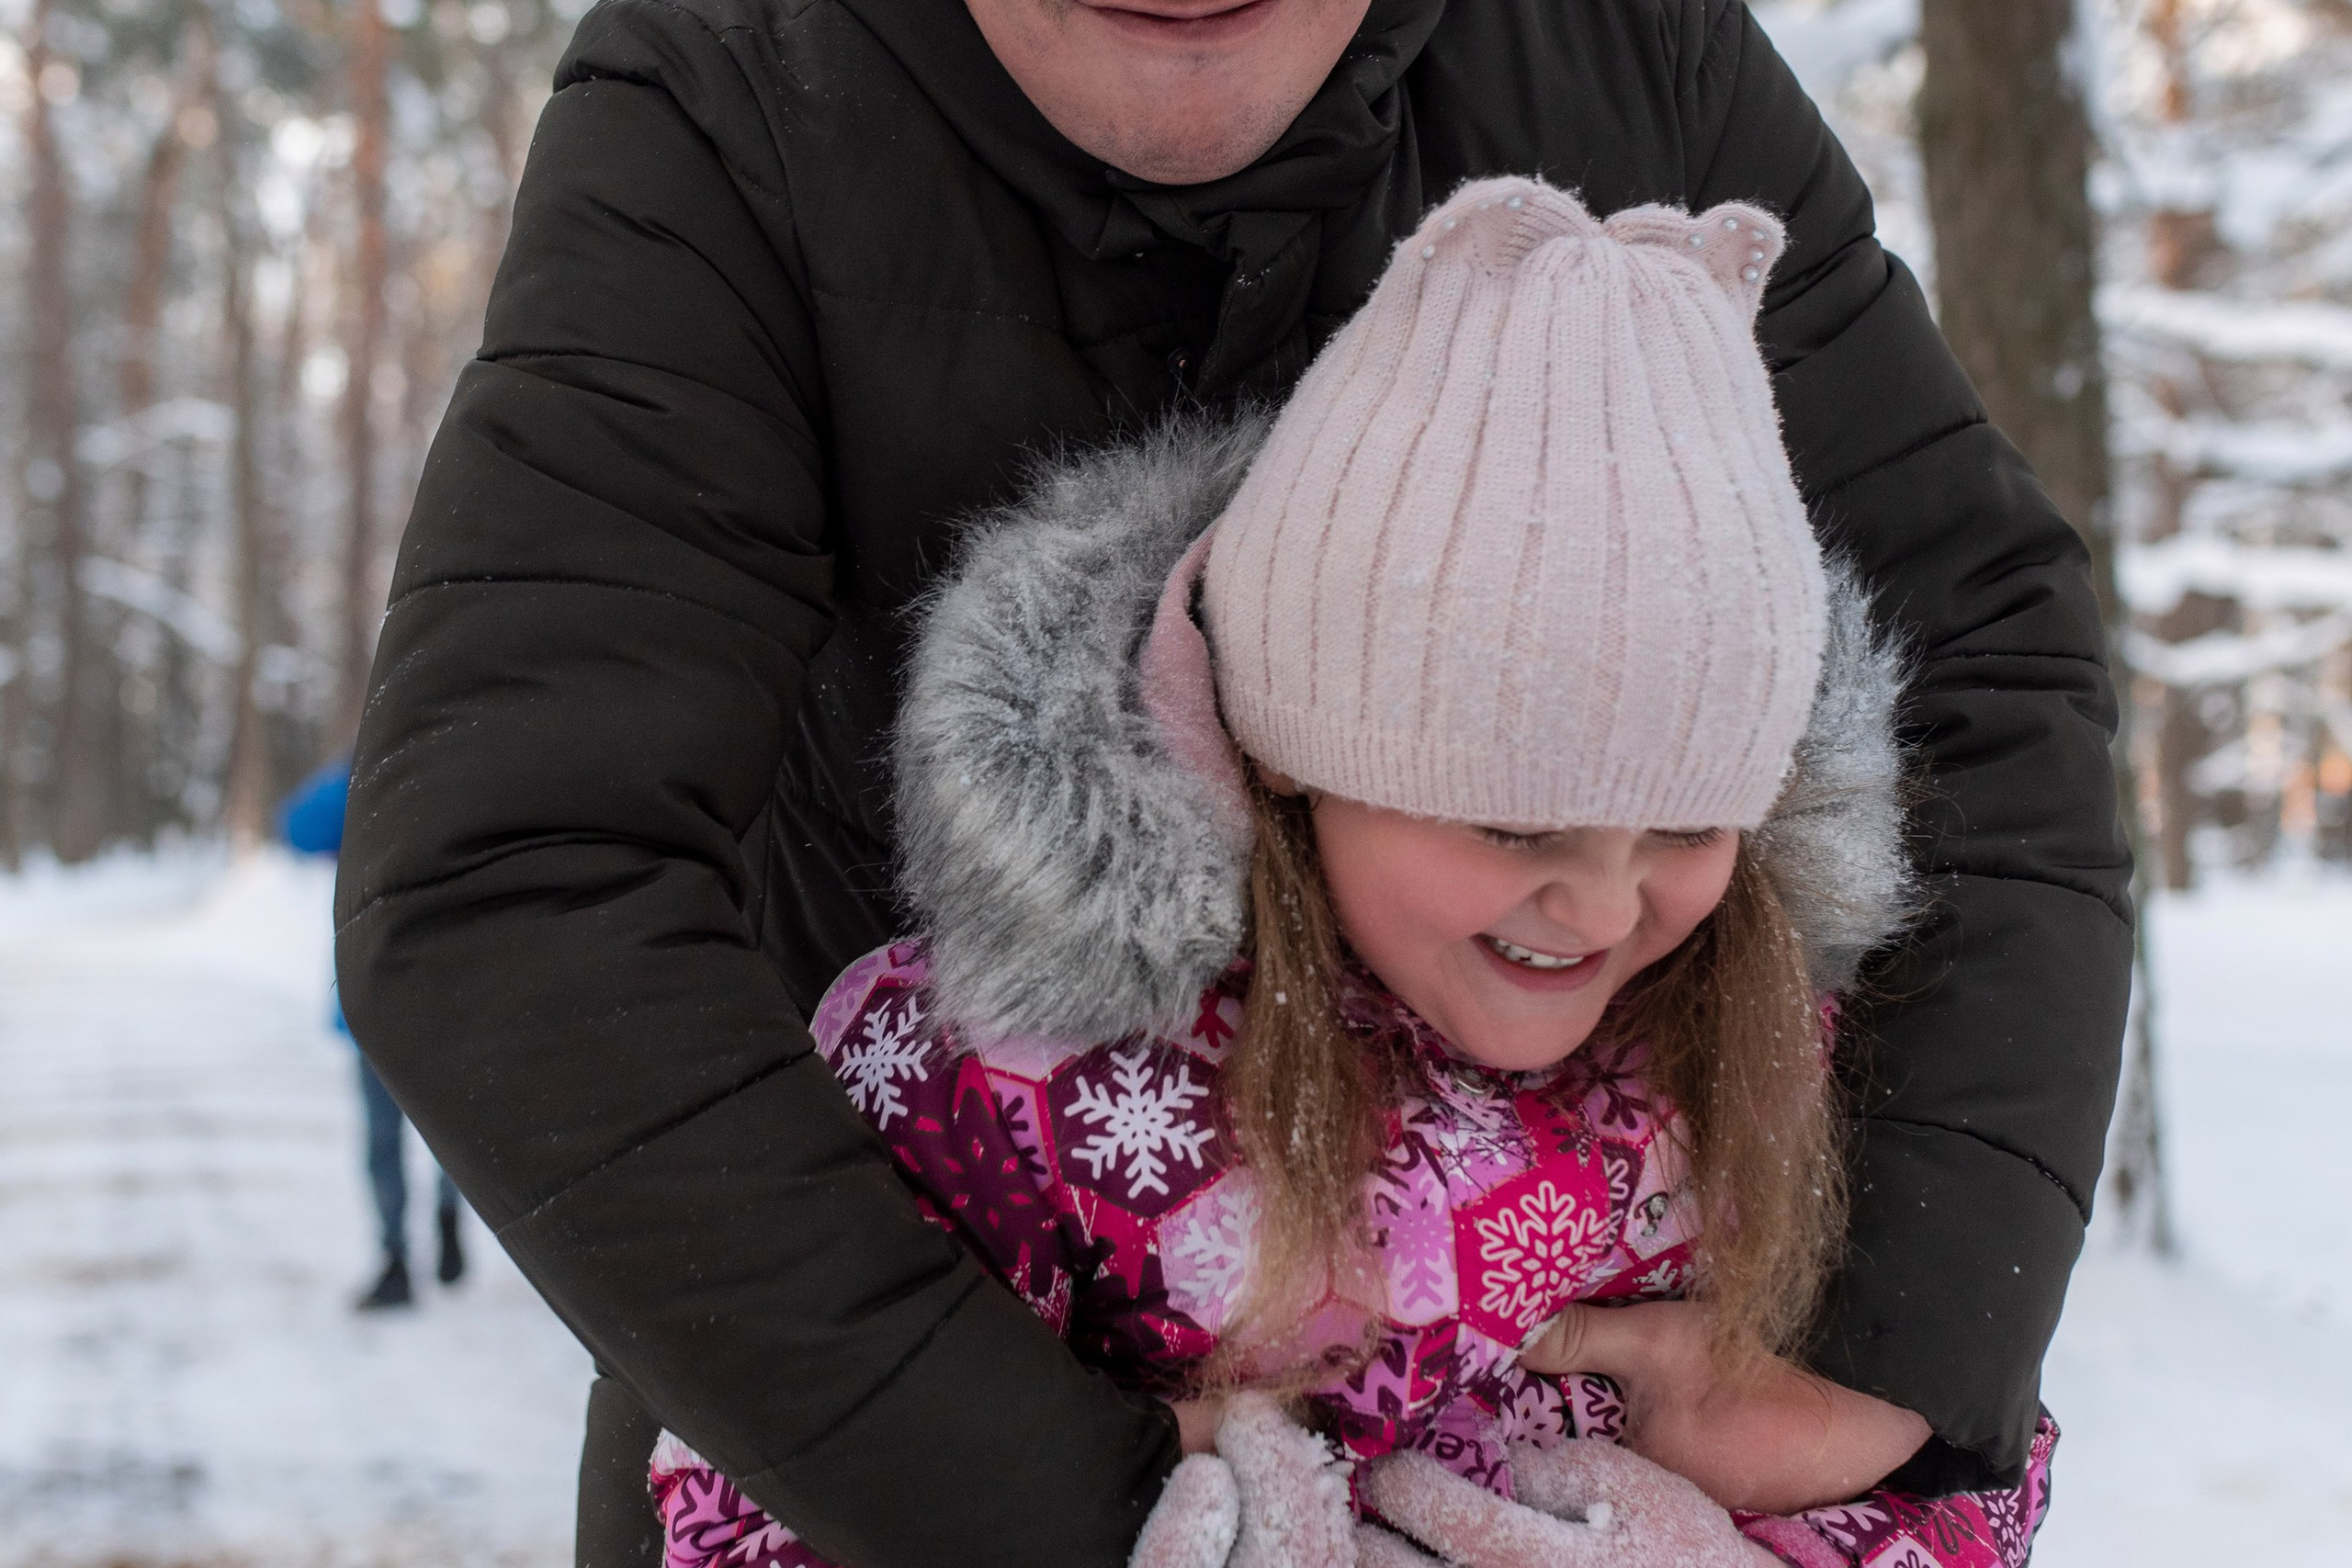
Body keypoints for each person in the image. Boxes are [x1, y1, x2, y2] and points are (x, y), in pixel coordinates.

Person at [336, 2, 2132, 1562]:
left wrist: (1888, 1348)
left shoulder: (1616, 44)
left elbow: (1977, 651)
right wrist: (1070, 1505)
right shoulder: (738, 81)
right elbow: (516, 872)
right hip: (887, 1433)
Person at [646, 181, 2056, 1568]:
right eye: (1516, 827)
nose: (1604, 906)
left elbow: (1950, 1467)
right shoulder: (1009, 1086)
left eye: (1688, 831)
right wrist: (1105, 1497)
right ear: (1293, 750)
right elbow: (765, 1482)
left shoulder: (1751, 1045)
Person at [282, 758, 465, 1309]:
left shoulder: (365, 777)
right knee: (449, 1128)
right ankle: (440, 1218)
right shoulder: (449, 769)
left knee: (390, 1139)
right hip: (440, 989)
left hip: (383, 987)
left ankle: (398, 1255)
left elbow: (295, 827)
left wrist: (357, 764)